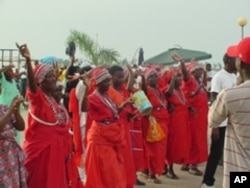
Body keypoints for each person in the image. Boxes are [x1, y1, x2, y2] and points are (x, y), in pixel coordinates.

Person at [17, 43, 69, 188]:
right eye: (49, 77)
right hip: (41, 153)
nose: (54, 79)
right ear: (40, 80)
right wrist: (28, 61)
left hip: (56, 151)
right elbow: (32, 86)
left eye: (54, 76)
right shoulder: (38, 98)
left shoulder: (53, 99)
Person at [209, 37, 250, 188]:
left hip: (240, 174)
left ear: (240, 64)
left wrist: (239, 85)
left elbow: (212, 119)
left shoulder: (230, 95)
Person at [201, 46, 237, 188]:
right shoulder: (219, 77)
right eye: (235, 59)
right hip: (220, 123)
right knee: (216, 153)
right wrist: (214, 126)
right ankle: (207, 181)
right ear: (228, 61)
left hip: (232, 123)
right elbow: (215, 100)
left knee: (232, 154)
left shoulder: (235, 76)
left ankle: (235, 181)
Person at [84, 68, 126, 188]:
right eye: (106, 82)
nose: (109, 84)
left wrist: (125, 104)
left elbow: (113, 113)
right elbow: (84, 108)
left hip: (111, 136)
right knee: (106, 172)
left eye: (109, 81)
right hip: (100, 139)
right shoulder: (93, 97)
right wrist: (86, 88)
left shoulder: (106, 96)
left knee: (112, 172)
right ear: (98, 83)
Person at [142, 68, 169, 184]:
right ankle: (152, 174)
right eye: (151, 77)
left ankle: (149, 170)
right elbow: (142, 95)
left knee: (160, 149)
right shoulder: (146, 89)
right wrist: (142, 78)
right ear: (147, 80)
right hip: (152, 121)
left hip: (162, 121)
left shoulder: (158, 90)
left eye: (155, 76)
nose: (154, 79)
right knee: (153, 149)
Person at [0, 96, 26, 188]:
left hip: (11, 156)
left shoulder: (4, 108)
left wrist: (16, 112)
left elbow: (21, 127)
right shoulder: (8, 110)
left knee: (13, 183)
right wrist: (10, 111)